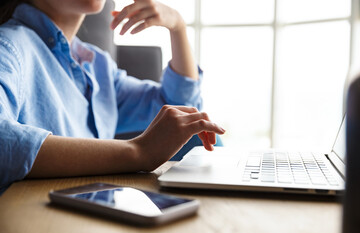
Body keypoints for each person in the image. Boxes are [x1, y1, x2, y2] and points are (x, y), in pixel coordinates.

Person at [0, 0, 225, 194]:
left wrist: (177, 26)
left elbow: (181, 111)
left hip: (90, 212)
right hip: (35, 218)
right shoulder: (8, 46)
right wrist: (138, 152)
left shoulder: (97, 66)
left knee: (198, 135)